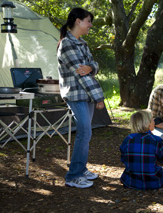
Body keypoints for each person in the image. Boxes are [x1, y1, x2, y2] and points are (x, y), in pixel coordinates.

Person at [57, 8, 105, 188]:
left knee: (87, 133)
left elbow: (93, 66)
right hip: (76, 94)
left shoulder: (82, 43)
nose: (90, 25)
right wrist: (99, 97)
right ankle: (73, 176)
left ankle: (81, 168)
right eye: (88, 21)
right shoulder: (67, 44)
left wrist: (91, 67)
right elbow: (81, 75)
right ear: (78, 21)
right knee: (84, 132)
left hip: (86, 94)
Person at [120, 110, 163, 190]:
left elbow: (123, 159)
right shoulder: (156, 140)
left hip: (130, 181)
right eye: (152, 119)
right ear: (147, 123)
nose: (154, 121)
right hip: (154, 182)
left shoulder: (127, 139)